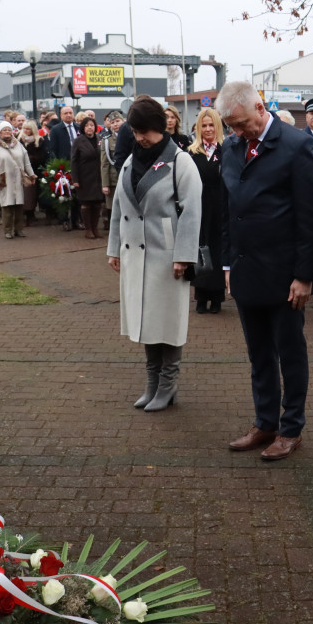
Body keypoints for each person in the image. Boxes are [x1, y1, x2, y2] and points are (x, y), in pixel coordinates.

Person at [216, 81, 313, 461]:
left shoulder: (296, 146)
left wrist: (304, 275)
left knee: (289, 353)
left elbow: (311, 218)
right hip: (246, 271)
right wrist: (227, 264)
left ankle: (291, 427)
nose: (237, 132)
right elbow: (230, 212)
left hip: (284, 276)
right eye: (231, 126)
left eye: (242, 123)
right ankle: (265, 421)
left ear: (260, 108)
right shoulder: (230, 148)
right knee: (258, 353)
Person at [107, 97, 202, 412]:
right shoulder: (130, 161)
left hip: (168, 256)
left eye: (144, 131)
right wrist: (113, 248)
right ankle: (152, 384)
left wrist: (184, 255)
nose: (139, 138)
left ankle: (168, 384)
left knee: (168, 321)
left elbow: (192, 212)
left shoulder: (181, 161)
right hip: (135, 254)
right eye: (135, 131)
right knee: (146, 320)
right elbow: (119, 208)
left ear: (160, 128)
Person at [187, 107, 227, 314]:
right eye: (204, 125)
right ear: (198, 128)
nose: (208, 129)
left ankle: (217, 298)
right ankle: (200, 296)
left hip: (220, 208)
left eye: (212, 125)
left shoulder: (226, 150)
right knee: (201, 251)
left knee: (218, 251)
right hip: (199, 207)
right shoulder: (191, 152)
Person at [0, 121, 35, 239]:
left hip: (18, 179)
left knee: (19, 205)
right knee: (7, 205)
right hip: (4, 179)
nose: (7, 132)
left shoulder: (18, 144)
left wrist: (31, 175)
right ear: (0, 132)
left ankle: (19, 229)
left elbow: (26, 162)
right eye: (4, 130)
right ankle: (7, 230)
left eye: (9, 130)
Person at [71, 116, 105, 239]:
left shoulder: (99, 139)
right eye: (87, 126)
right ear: (83, 128)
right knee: (86, 203)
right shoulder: (78, 141)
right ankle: (88, 229)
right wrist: (75, 179)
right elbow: (74, 161)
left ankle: (95, 228)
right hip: (84, 176)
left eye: (91, 125)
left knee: (97, 203)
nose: (90, 128)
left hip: (98, 176)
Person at [100, 111, 125, 231]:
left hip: (127, 177)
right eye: (112, 122)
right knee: (113, 208)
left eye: (118, 121)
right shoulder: (107, 140)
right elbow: (104, 163)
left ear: (123, 121)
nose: (115, 124)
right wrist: (105, 184)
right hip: (114, 179)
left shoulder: (130, 136)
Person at [20, 120, 49, 225]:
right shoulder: (18, 141)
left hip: (36, 171)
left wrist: (29, 159)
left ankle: (32, 214)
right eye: (25, 128)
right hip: (22, 172)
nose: (26, 131)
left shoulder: (39, 141)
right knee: (26, 195)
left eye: (28, 129)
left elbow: (43, 156)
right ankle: (28, 214)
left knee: (34, 194)